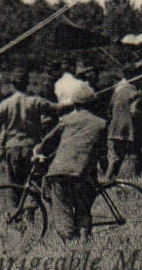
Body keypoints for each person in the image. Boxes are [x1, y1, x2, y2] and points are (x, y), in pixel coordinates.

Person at [35, 76, 108, 239]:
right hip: (83, 173)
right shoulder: (101, 123)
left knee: (62, 209)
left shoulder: (67, 121)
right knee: (83, 207)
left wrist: (38, 153)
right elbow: (103, 151)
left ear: (75, 104)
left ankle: (71, 243)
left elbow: (48, 141)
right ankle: (83, 237)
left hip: (60, 171)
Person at [0, 68, 56, 189]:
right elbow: (57, 109)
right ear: (27, 83)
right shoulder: (35, 101)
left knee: (15, 186)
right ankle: (31, 206)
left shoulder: (6, 104)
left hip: (12, 149)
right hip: (31, 148)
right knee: (35, 185)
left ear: (13, 85)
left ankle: (18, 207)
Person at [106, 60, 142, 179]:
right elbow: (134, 112)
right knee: (129, 156)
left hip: (115, 129)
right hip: (128, 130)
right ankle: (119, 180)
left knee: (115, 158)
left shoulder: (118, 90)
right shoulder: (135, 93)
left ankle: (109, 179)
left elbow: (110, 107)